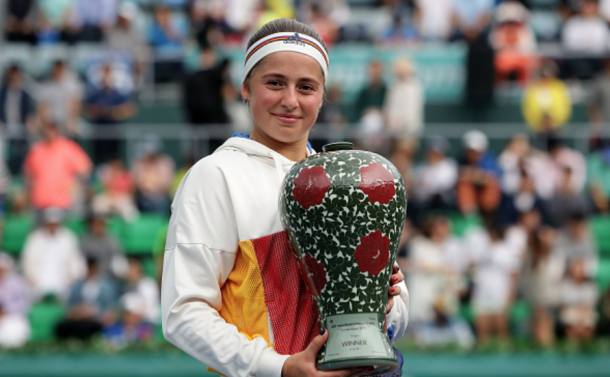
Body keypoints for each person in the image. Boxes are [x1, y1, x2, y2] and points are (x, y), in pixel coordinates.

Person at [161, 18, 409, 377]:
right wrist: (278, 368)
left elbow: (399, 312)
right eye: (275, 83)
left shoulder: (346, 181)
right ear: (245, 87)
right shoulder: (214, 176)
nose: (290, 101)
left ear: (324, 96)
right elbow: (182, 313)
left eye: (306, 87)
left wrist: (381, 305)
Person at [23, 121, 91, 215]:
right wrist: (29, 190)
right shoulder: (36, 149)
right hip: (39, 202)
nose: (50, 133)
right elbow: (27, 173)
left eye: (52, 130)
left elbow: (86, 168)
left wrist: (76, 185)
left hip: (62, 202)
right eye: (48, 130)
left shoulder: (68, 147)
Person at [21, 207, 86, 301]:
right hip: (38, 282)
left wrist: (72, 278)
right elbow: (27, 260)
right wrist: (31, 277)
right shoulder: (35, 238)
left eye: (55, 224)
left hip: (63, 281)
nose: (52, 227)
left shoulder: (68, 238)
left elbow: (75, 260)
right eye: (49, 224)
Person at [55, 258, 119, 341]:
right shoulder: (77, 285)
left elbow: (110, 309)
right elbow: (70, 306)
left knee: (86, 328)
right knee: (62, 326)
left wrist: (94, 312)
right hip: (79, 319)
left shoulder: (106, 286)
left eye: (92, 268)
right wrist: (78, 312)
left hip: (96, 320)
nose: (90, 271)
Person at [0, 252, 32, 348]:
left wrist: (6, 311)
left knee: (16, 327)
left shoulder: (17, 282)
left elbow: (24, 303)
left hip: (13, 317)